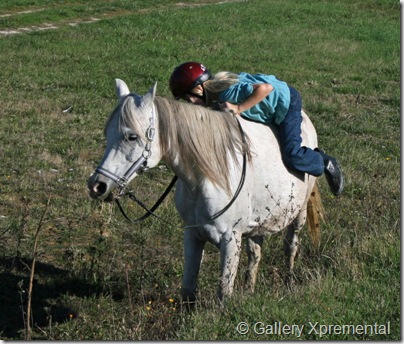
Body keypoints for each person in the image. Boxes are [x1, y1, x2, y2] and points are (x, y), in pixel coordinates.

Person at [169, 62, 344, 196]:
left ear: (199, 88)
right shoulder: (219, 92)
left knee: (293, 156)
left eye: (188, 97)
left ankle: (324, 162)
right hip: (272, 104)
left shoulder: (227, 93)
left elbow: (265, 88)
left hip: (287, 103)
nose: (190, 103)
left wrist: (239, 109)